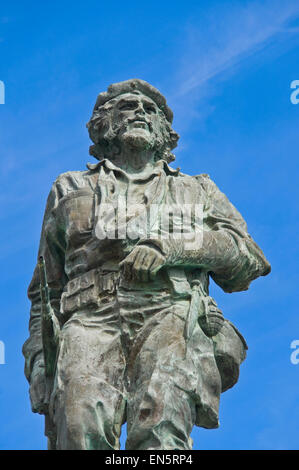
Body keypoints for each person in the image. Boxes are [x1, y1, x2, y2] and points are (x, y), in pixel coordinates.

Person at [23, 79, 271, 450]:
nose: (139, 111)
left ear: (164, 133)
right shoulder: (69, 188)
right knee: (78, 426)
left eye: (150, 109)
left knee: (162, 431)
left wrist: (172, 247)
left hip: (170, 315)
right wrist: (39, 361)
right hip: (89, 319)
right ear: (103, 125)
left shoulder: (196, 190)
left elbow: (247, 257)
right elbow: (45, 290)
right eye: (127, 106)